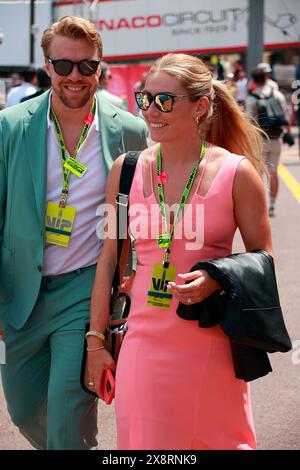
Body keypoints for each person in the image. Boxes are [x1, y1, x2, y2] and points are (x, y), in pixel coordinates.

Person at [87, 53, 273, 450]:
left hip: (211, 344)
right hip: (142, 343)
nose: (151, 111)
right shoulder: (126, 169)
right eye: (145, 98)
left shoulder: (237, 173)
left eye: (164, 101)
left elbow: (263, 259)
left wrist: (215, 277)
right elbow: (108, 259)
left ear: (201, 106)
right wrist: (96, 343)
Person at [0, 15, 147, 450]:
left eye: (87, 66)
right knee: (24, 412)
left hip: (87, 290)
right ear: (47, 67)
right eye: (63, 66)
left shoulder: (129, 130)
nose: (75, 76)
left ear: (100, 67)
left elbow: (139, 215)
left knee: (67, 411)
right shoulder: (10, 126)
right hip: (18, 292)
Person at [246, 67, 289, 217]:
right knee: (273, 172)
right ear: (266, 77)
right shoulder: (277, 94)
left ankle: (259, 205)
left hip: (260, 140)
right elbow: (284, 114)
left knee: (258, 174)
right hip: (276, 138)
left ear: (253, 80)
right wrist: (287, 133)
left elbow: (249, 121)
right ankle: (272, 205)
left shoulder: (251, 98)